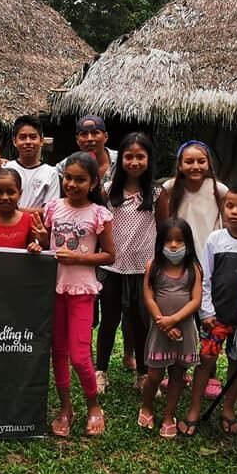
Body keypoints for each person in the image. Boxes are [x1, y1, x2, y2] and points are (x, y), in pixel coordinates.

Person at [181, 183, 237, 436]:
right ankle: (194, 409)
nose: (234, 212)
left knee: (236, 365)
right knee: (206, 362)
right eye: (229, 206)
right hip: (216, 318)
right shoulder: (216, 239)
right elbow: (204, 277)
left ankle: (228, 408)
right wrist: (206, 312)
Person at [43, 152, 115, 437]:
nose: (72, 184)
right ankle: (65, 407)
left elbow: (110, 256)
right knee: (58, 353)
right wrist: (38, 238)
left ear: (94, 182)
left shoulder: (98, 214)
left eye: (80, 179)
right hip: (53, 288)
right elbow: (44, 242)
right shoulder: (52, 208)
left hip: (82, 291)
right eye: (68, 178)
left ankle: (93, 405)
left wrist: (79, 258)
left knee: (80, 355)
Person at [96, 132, 159, 394]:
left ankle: (143, 374)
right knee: (109, 320)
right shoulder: (109, 191)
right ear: (120, 159)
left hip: (142, 269)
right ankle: (101, 370)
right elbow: (99, 223)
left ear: (149, 159)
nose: (134, 162)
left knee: (139, 321)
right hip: (112, 267)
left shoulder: (156, 194)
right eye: (128, 156)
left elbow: (164, 230)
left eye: (140, 156)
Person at [137, 218, 203, 438]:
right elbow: (148, 296)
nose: (174, 245)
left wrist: (173, 320)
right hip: (160, 328)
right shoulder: (153, 266)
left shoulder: (193, 268)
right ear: (160, 242)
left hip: (184, 331)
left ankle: (169, 414)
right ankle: (147, 406)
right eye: (168, 240)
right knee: (154, 375)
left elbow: (195, 301)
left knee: (178, 376)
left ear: (188, 243)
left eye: (179, 240)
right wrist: (162, 321)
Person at [0, 114, 59, 214]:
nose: (28, 142)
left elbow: (50, 211)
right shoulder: (6, 168)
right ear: (15, 141)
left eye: (33, 137)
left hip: (35, 228)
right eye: (23, 137)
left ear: (41, 141)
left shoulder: (51, 173)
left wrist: (15, 212)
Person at [158, 141, 229, 238]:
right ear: (180, 166)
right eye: (189, 162)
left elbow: (227, 222)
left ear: (208, 164)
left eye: (201, 161)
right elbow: (162, 223)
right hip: (179, 248)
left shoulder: (219, 189)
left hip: (210, 249)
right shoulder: (169, 187)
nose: (196, 166)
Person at [74, 114, 117, 183]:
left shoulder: (120, 160)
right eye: (84, 134)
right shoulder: (69, 164)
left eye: (95, 133)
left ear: (105, 136)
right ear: (77, 140)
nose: (89, 139)